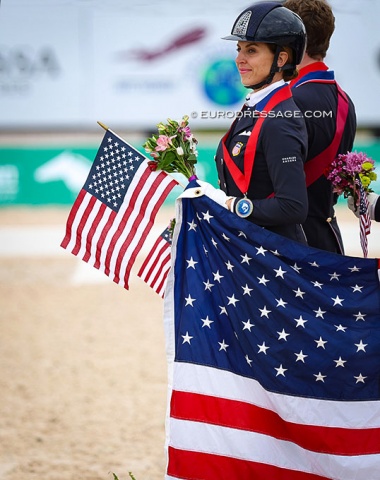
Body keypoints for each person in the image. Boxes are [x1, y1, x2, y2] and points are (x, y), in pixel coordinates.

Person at [199, 1, 309, 244]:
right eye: (239, 49)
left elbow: (293, 207)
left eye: (251, 50)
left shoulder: (281, 119)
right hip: (251, 249)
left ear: (280, 59)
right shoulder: (258, 106)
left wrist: (230, 205)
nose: (239, 59)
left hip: (272, 259)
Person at [283, 0, 357, 254]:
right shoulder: (345, 100)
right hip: (328, 240)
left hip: (291, 245)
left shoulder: (288, 100)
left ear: (293, 40)